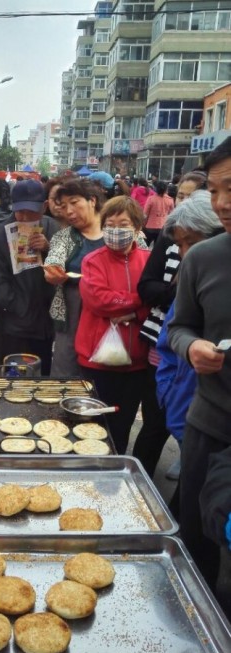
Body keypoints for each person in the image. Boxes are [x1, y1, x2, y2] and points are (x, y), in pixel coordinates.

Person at [168, 135, 231, 593]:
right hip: (209, 424)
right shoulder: (204, 259)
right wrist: (190, 347)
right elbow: (179, 326)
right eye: (215, 190)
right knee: (195, 541)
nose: (222, 203)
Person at [133, 171, 208, 479]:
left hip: (203, 397)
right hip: (166, 363)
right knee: (154, 426)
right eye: (181, 195)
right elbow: (146, 289)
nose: (183, 251)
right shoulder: (169, 242)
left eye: (190, 243)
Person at [155, 191, 223, 484]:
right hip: (183, 411)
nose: (185, 253)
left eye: (192, 243)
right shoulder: (189, 276)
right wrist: (167, 393)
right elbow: (169, 341)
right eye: (180, 245)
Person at [75, 195, 150, 454]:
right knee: (94, 422)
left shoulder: (149, 260)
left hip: (137, 361)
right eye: (110, 224)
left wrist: (135, 314)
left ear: (137, 228)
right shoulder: (93, 260)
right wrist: (139, 300)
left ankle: (114, 471)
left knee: (123, 423)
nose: (115, 230)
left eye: (123, 224)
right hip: (97, 358)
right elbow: (98, 299)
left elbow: (160, 301)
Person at [0, 179, 59, 375]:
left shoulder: (54, 229)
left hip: (46, 322)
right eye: (20, 211)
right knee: (15, 375)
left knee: (42, 375)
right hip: (15, 325)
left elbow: (64, 269)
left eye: (32, 211)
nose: (26, 217)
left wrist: (47, 249)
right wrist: (18, 308)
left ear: (44, 207)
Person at [43, 178, 105, 377]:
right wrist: (52, 273)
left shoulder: (116, 230)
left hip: (109, 310)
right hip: (72, 309)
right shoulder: (63, 237)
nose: (68, 211)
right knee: (66, 366)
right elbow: (53, 261)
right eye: (63, 206)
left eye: (74, 202)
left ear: (92, 200)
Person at [143, 180, 174, 245]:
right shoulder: (170, 200)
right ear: (166, 189)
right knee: (157, 248)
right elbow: (172, 215)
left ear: (156, 188)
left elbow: (145, 214)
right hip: (163, 227)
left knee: (145, 246)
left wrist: (143, 224)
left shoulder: (151, 199)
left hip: (150, 227)